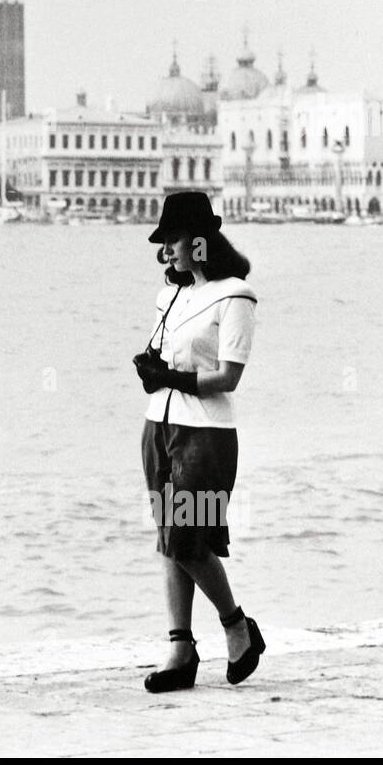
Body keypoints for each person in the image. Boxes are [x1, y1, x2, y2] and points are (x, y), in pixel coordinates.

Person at [131, 192, 264, 692]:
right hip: (158, 426)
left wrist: (177, 378)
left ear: (200, 243)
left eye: (173, 239)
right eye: (163, 242)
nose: (166, 250)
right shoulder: (171, 297)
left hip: (205, 433)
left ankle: (237, 627)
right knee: (171, 539)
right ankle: (180, 648)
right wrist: (152, 374)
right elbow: (165, 363)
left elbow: (228, 376)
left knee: (188, 537)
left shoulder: (236, 295)